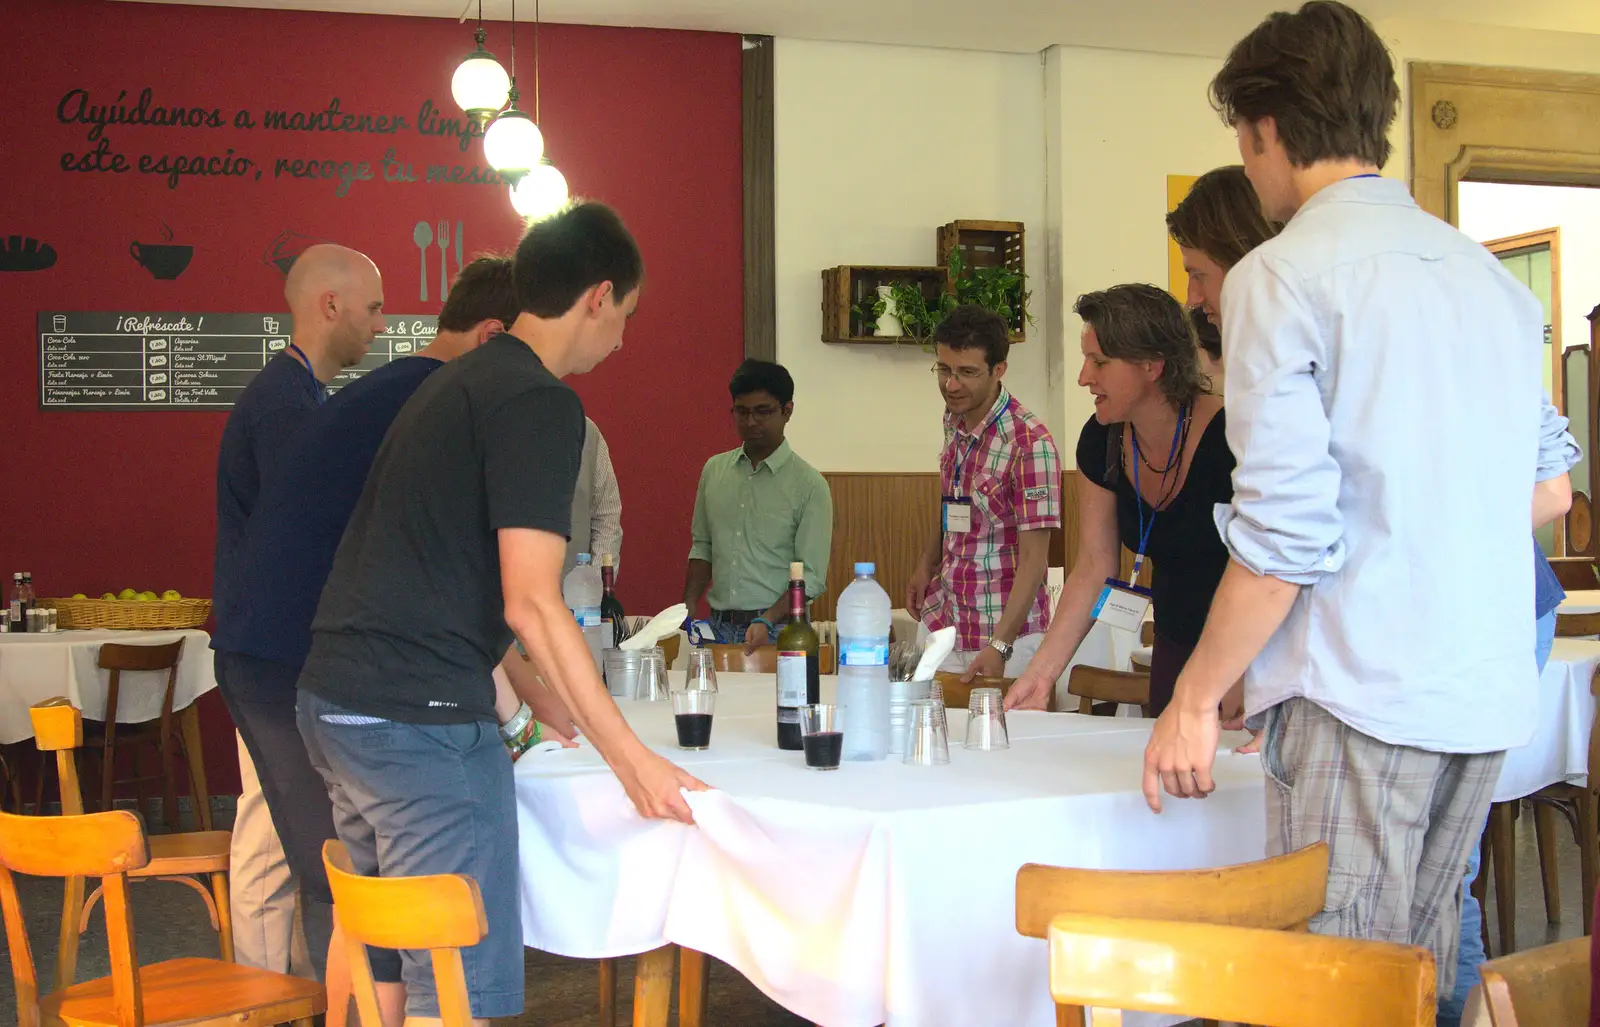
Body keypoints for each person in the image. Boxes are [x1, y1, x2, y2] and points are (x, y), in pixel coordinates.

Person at [1140, 1, 1555, 1003]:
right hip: (1484, 686)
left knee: (1338, 992)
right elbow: (1549, 490)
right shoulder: (1488, 278)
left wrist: (1195, 696)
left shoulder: (1281, 274)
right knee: (1410, 983)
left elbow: (1283, 534)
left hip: (1363, 687)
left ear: (1261, 131)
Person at [296, 202, 705, 1026]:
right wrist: (631, 760)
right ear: (597, 296)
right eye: (625, 315)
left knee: (386, 965)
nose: (621, 339)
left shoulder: (459, 381)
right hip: (420, 725)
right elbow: (530, 597)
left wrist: (544, 695)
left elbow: (443, 576)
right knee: (450, 998)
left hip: (336, 705)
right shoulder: (539, 402)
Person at [217, 257, 575, 1026]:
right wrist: (543, 708)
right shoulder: (451, 400)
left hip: (300, 653)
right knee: (348, 887)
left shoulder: (397, 390)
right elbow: (466, 588)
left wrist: (533, 696)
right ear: (494, 337)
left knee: (354, 888)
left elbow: (442, 587)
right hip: (312, 657)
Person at [211, 243, 382, 979]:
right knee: (269, 830)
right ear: (331, 304)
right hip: (272, 652)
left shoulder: (301, 397)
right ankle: (261, 992)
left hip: (271, 648)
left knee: (274, 826)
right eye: (373, 307)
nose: (381, 325)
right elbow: (307, 544)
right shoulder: (285, 406)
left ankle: (287, 990)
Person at [1004, 286, 1228, 716]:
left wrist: (1233, 671)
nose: (1084, 377)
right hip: (1173, 649)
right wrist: (1042, 673)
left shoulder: (1230, 438)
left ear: (1152, 365)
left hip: (1246, 655)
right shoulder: (1102, 439)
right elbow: (1093, 565)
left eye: (1100, 362)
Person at [908, 304, 1059, 681]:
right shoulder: (953, 417)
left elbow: (1034, 561)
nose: (951, 385)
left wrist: (1000, 645)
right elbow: (950, 496)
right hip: (944, 617)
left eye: (967, 372)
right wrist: (926, 563)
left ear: (999, 370)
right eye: (944, 369)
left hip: (1005, 636)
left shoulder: (1029, 444)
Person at [683, 358, 832, 649]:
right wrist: (688, 604)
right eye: (742, 412)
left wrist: (768, 618)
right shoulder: (714, 471)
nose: (750, 422)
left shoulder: (810, 486)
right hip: (716, 628)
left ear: (787, 411)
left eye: (762, 412)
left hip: (778, 630)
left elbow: (811, 577)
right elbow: (702, 547)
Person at [563, 416, 623, 579]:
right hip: (499, 596)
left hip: (572, 597)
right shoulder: (494, 424)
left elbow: (607, 520)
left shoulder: (586, 433)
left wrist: (593, 589)